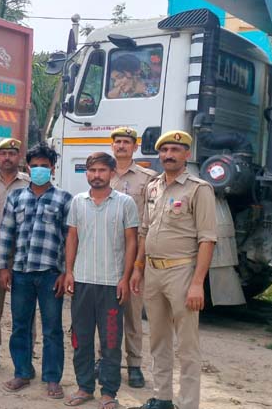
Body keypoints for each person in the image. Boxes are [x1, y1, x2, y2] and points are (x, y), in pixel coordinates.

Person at [131, 131, 217, 409]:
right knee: (158, 339)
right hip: (153, 273)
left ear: (186, 155)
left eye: (175, 150)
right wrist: (138, 268)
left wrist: (197, 283)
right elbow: (144, 230)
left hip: (182, 273)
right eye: (165, 150)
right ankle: (162, 397)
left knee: (187, 345)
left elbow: (207, 238)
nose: (169, 155)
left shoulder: (198, 189)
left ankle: (189, 403)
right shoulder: (153, 186)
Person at [63, 152, 139, 407]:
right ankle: (84, 387)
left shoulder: (125, 203)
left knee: (110, 341)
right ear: (87, 173)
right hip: (83, 282)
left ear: (112, 172)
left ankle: (109, 393)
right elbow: (72, 238)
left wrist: (125, 278)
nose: (97, 175)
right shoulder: (78, 202)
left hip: (111, 284)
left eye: (102, 170)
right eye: (92, 170)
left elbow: (131, 242)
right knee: (80, 339)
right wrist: (70, 272)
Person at [0, 143, 72, 400]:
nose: (39, 169)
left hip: (51, 273)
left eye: (45, 165)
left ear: (53, 168)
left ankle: (52, 378)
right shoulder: (16, 197)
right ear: (28, 167)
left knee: (52, 328)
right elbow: (6, 234)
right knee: (20, 326)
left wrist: (65, 272)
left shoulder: (64, 199)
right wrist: (3, 268)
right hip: (21, 272)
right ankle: (22, 371)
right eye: (35, 165)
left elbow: (69, 239)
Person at [99, 127, 156, 388]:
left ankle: (134, 365)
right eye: (117, 141)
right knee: (104, 313)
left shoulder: (147, 178)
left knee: (133, 314)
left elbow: (148, 222)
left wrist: (139, 264)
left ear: (135, 147)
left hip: (134, 256)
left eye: (126, 142)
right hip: (104, 256)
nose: (121, 145)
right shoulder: (101, 174)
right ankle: (105, 360)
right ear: (112, 146)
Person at [0, 137, 31, 372]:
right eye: (3, 154)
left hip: (22, 252)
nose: (7, 158)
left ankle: (25, 357)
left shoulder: (30, 184)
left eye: (12, 154)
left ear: (18, 157)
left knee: (24, 307)